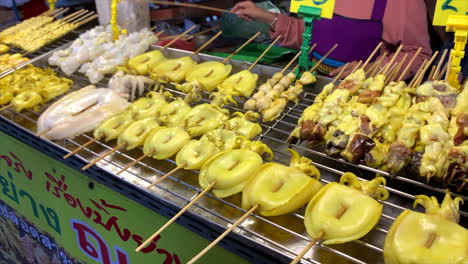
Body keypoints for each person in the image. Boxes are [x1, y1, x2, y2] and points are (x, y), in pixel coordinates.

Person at [232, 0, 432, 79]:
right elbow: (311, 33)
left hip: (363, 98)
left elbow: (418, 54)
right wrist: (267, 16)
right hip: (313, 83)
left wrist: (370, 71)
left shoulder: (403, 2)